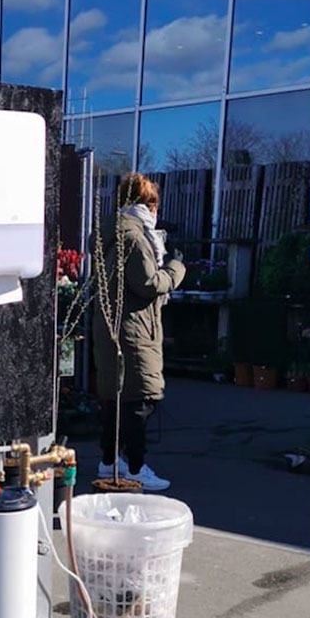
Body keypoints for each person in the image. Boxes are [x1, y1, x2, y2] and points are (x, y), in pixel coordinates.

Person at [92, 172, 185, 491]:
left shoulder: (111, 231)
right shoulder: (134, 236)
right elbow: (147, 283)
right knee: (138, 402)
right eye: (154, 203)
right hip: (134, 329)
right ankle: (135, 467)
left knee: (114, 399)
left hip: (111, 327)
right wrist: (176, 268)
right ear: (148, 204)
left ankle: (109, 461)